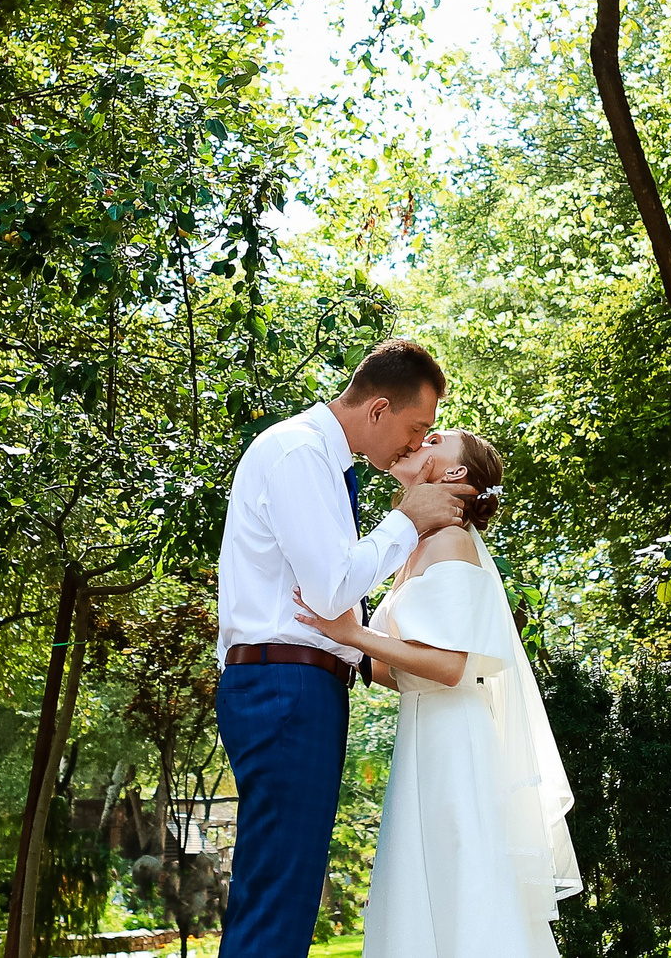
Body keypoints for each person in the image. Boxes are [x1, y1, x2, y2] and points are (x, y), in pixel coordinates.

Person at [216, 338, 477, 958]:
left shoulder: (325, 465)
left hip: (299, 687)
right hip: (286, 688)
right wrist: (407, 519)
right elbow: (331, 588)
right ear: (379, 409)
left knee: (284, 886)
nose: (417, 445)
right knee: (281, 891)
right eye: (417, 429)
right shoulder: (298, 454)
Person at [295, 427, 580, 958]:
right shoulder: (422, 545)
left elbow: (450, 667)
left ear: (453, 474)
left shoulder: (450, 542)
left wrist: (353, 634)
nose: (418, 440)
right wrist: (352, 643)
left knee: (459, 878)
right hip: (427, 730)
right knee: (431, 882)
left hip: (454, 739)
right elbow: (395, 670)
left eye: (435, 439)